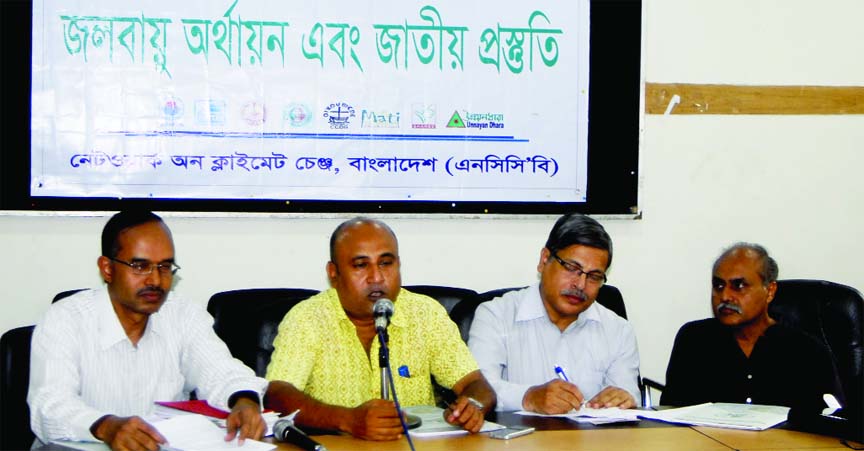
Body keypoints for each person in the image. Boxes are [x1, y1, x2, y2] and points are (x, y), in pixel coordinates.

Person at [28, 210, 268, 451]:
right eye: (139, 266)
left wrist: (245, 401)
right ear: (107, 268)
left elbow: (222, 372)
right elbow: (50, 407)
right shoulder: (65, 319)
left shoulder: (182, 315)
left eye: (164, 266)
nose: (155, 280)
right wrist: (107, 426)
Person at [264, 217, 496, 440]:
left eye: (386, 263)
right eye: (361, 265)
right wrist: (347, 419)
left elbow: (475, 384)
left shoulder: (425, 313)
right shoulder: (308, 318)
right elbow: (277, 393)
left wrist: (473, 406)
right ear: (333, 273)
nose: (376, 277)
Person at [468, 213, 640, 414]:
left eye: (594, 276)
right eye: (571, 267)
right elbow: (477, 392)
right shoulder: (495, 315)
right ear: (544, 260)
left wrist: (622, 398)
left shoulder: (618, 331)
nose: (580, 284)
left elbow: (627, 394)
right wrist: (528, 397)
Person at [661, 243, 841, 410]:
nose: (725, 296)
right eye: (719, 286)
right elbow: (672, 412)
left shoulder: (806, 351)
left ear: (769, 291)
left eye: (738, 286)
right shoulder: (694, 340)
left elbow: (829, 422)